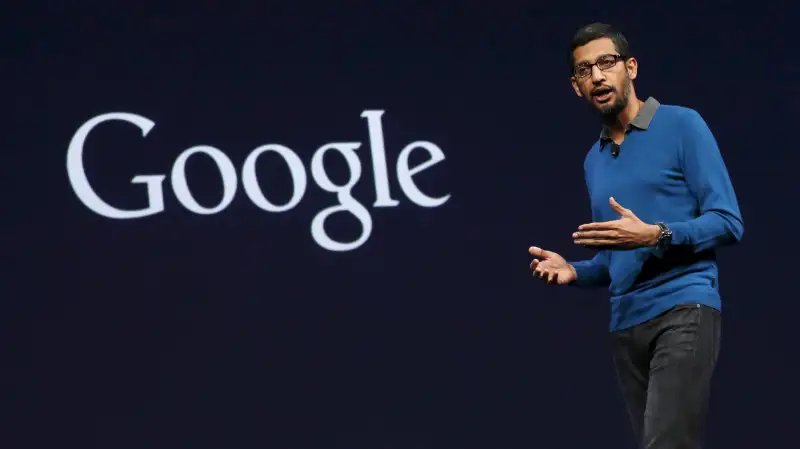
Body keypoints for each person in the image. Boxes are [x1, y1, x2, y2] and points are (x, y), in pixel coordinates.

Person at [528, 23, 744, 448]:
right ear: (576, 87)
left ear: (631, 67)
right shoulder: (595, 159)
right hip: (625, 325)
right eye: (584, 71)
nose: (597, 76)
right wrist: (575, 270)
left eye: (607, 63)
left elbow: (728, 220)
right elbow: (615, 257)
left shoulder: (682, 124)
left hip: (684, 306)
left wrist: (658, 234)